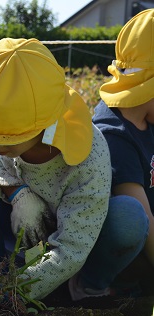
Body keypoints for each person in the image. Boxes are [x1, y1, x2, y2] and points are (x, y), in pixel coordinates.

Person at [0, 37, 149, 301]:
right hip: (18, 232)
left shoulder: (89, 155)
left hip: (77, 239)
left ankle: (84, 288)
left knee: (127, 217)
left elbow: (72, 247)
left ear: (45, 123)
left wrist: (13, 295)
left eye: (9, 139)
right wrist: (17, 192)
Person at [92, 8, 154, 277]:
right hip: (127, 245)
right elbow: (146, 221)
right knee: (131, 219)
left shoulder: (147, 117)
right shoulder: (113, 133)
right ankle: (95, 284)